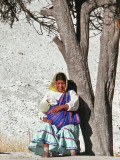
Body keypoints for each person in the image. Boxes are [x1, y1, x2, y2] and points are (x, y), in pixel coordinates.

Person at [28, 72, 81, 157]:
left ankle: (72, 153)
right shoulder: (50, 94)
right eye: (58, 83)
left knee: (65, 130)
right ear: (55, 83)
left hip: (69, 124)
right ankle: (46, 152)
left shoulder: (71, 93)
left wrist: (62, 107)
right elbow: (42, 109)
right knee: (45, 126)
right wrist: (46, 119)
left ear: (66, 83)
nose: (60, 86)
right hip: (54, 124)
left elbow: (75, 105)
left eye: (63, 83)